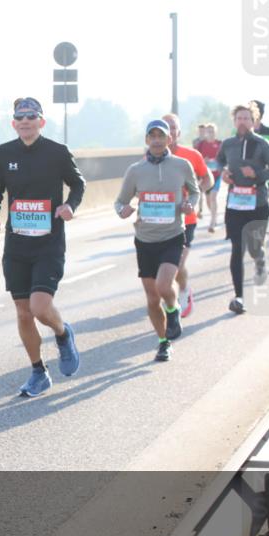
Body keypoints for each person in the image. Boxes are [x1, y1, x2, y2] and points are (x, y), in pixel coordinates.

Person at [0, 97, 84, 397]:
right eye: (19, 117)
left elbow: (78, 184)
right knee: (23, 312)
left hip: (48, 243)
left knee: (40, 307)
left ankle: (63, 334)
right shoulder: (4, 153)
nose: (25, 121)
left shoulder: (57, 152)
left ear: (41, 121)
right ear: (13, 123)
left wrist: (69, 205)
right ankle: (38, 372)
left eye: (31, 116)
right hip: (16, 244)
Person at [115, 120, 199, 362]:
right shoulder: (136, 170)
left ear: (168, 139)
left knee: (164, 287)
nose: (157, 140)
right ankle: (164, 342)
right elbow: (120, 201)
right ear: (146, 141)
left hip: (172, 235)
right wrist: (123, 210)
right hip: (145, 239)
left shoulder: (182, 165)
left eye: (161, 136)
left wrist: (190, 203)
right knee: (152, 298)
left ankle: (173, 310)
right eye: (152, 136)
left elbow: (194, 191)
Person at [217, 104, 269, 314]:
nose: (243, 121)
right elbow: (218, 162)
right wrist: (223, 173)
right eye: (239, 118)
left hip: (258, 204)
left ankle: (260, 259)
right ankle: (239, 297)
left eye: (247, 118)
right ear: (234, 121)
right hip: (235, 204)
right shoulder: (228, 144)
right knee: (237, 249)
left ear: (253, 120)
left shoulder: (262, 144)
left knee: (254, 247)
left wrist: (257, 175)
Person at [163, 114, 213, 319]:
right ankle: (172, 293)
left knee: (178, 264)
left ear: (178, 132)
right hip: (161, 221)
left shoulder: (191, 155)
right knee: (165, 267)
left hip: (186, 219)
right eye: (165, 127)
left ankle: (183, 291)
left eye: (173, 127)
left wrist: (197, 192)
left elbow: (207, 178)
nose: (170, 131)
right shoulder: (150, 157)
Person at [196, 123, 223, 233]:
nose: (210, 133)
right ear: (205, 133)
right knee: (208, 200)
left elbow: (224, 159)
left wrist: (217, 161)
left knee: (213, 197)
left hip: (217, 176)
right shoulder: (201, 145)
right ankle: (214, 216)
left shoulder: (220, 144)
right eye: (208, 131)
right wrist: (204, 161)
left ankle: (212, 222)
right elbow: (197, 158)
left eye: (212, 131)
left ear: (215, 132)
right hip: (206, 177)